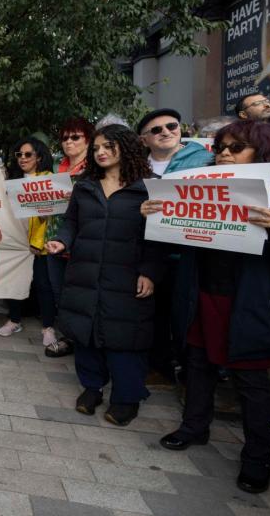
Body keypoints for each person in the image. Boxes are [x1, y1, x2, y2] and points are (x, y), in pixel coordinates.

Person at [144, 120, 270, 494]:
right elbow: (177, 240)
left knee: (251, 383)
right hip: (203, 296)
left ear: (263, 153)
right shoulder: (198, 189)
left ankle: (258, 457)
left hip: (251, 304)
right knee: (197, 365)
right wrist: (157, 215)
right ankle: (194, 428)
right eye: (221, 147)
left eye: (237, 147)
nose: (225, 153)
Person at [45, 124, 161, 427]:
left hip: (127, 275)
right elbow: (71, 223)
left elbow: (159, 238)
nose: (101, 153)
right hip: (85, 271)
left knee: (125, 338)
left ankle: (127, 398)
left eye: (108, 146)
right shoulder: (86, 185)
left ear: (126, 147)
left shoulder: (151, 188)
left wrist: (149, 271)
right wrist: (62, 241)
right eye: (96, 148)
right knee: (86, 333)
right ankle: (92, 388)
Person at [136, 109, 213, 384]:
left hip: (193, 252)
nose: (166, 132)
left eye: (171, 125)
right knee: (155, 312)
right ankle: (160, 367)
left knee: (189, 316)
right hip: (151, 251)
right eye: (156, 130)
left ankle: (193, 372)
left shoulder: (206, 160)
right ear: (144, 140)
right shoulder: (137, 167)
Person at [42, 117, 95, 357]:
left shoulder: (96, 169)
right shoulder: (55, 168)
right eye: (65, 137)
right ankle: (68, 337)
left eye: (75, 137)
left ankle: (84, 340)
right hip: (54, 239)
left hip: (83, 242)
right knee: (59, 291)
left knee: (81, 294)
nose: (69, 142)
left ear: (88, 140)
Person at [0, 137, 57, 348]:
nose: (22, 158)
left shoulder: (48, 181)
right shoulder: (12, 180)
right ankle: (14, 320)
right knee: (15, 283)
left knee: (43, 285)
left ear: (39, 157)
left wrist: (38, 243)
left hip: (39, 246)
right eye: (19, 155)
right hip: (16, 243)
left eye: (28, 154)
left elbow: (50, 218)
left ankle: (48, 327)